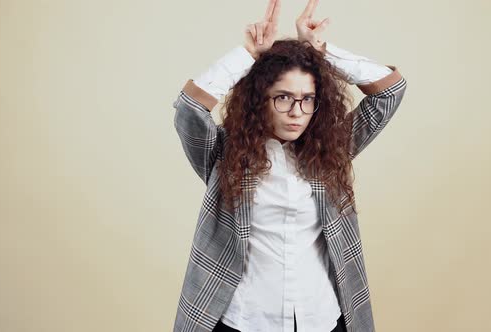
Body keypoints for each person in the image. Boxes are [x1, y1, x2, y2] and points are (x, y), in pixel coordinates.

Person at [172, 1, 407, 331]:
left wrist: (319, 50)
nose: (297, 111)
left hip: (321, 318)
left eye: (307, 98)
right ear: (259, 100)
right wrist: (249, 55)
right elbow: (189, 109)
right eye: (283, 97)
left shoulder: (329, 150)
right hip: (244, 320)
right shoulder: (226, 154)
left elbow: (389, 90)